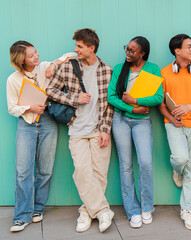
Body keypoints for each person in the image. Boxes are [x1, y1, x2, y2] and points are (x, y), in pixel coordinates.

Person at [46, 28, 114, 233]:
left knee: (99, 174)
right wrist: (74, 99)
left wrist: (105, 129)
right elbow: (50, 90)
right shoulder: (68, 67)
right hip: (76, 129)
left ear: (92, 48)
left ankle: (86, 212)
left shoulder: (107, 70)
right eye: (76, 46)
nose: (76, 50)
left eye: (80, 47)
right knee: (82, 173)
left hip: (98, 130)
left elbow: (109, 104)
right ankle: (103, 211)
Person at [6, 41, 74, 232]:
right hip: (26, 123)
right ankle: (21, 216)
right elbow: (12, 107)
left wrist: (53, 64)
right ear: (21, 61)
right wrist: (29, 107)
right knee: (23, 172)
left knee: (45, 169)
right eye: (31, 56)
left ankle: (37, 208)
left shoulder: (43, 67)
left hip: (48, 122)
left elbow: (71, 55)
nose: (36, 57)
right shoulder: (13, 79)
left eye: (36, 52)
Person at [107, 36, 163, 228]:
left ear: (142, 53)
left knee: (145, 162)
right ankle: (132, 210)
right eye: (127, 49)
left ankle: (146, 206)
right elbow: (111, 97)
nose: (128, 53)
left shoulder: (153, 69)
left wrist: (136, 101)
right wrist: (131, 108)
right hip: (120, 120)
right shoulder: (119, 69)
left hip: (142, 122)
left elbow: (158, 97)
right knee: (125, 165)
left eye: (132, 51)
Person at [158, 34, 191, 230]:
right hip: (173, 125)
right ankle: (177, 170)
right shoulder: (163, 73)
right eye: (189, 47)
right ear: (177, 51)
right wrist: (172, 119)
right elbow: (161, 105)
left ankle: (187, 210)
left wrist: (188, 107)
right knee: (180, 159)